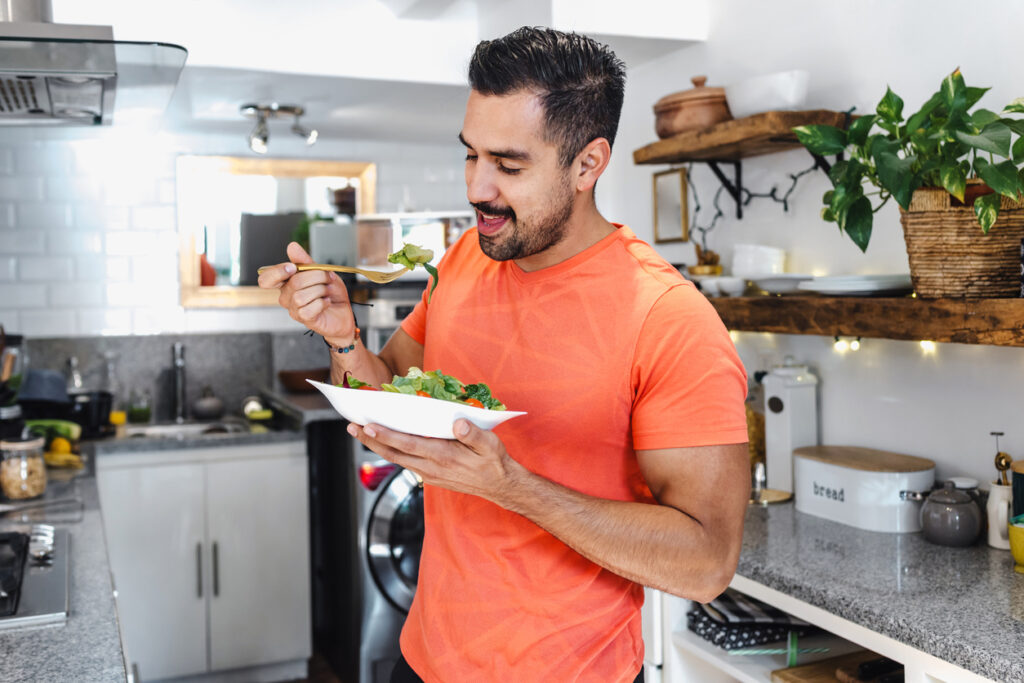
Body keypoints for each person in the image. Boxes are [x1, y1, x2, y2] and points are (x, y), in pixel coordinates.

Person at [259, 26, 750, 683]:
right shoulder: (467, 260)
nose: (476, 187)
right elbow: (387, 409)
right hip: (425, 659)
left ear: (587, 164)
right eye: (471, 155)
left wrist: (512, 488)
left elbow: (707, 562)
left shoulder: (669, 319)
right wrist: (342, 334)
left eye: (508, 165)